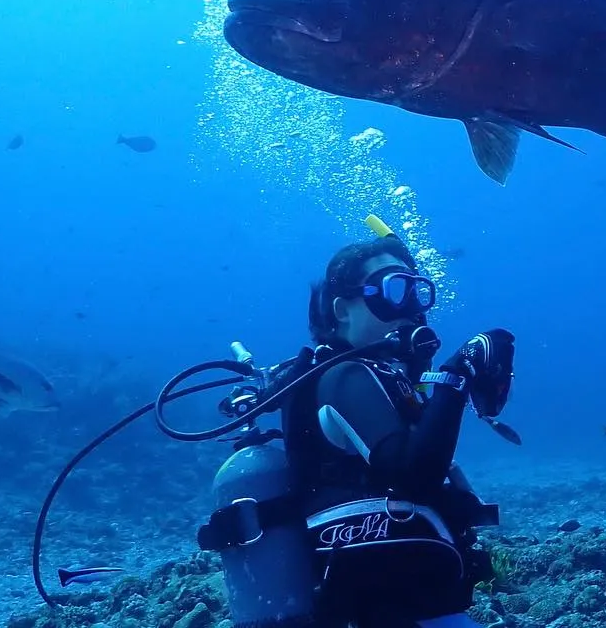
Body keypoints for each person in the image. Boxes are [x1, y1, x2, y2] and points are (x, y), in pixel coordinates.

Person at [199, 217, 515, 628]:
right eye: (392, 290)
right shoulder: (344, 376)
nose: (411, 309)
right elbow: (412, 473)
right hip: (384, 610)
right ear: (342, 311)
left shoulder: (381, 379)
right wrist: (455, 376)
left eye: (417, 293)